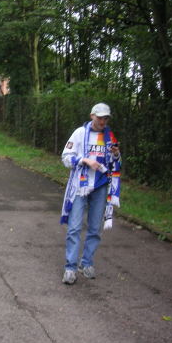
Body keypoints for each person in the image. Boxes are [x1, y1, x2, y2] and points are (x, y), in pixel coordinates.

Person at [60, 103, 121, 285]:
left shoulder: (109, 136)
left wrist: (116, 155)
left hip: (101, 186)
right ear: (92, 116)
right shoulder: (79, 133)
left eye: (106, 118)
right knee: (74, 227)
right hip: (80, 185)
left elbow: (115, 163)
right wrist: (84, 160)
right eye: (100, 117)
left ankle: (86, 263)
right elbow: (65, 157)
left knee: (95, 228)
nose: (103, 121)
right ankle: (70, 267)